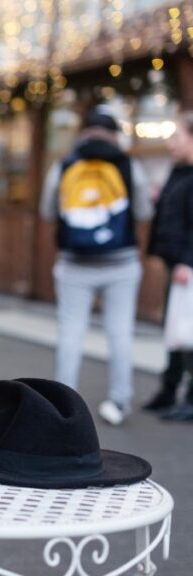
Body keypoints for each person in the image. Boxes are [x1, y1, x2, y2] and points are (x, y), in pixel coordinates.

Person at [39, 107, 154, 426]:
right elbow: (143, 211)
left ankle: (65, 406)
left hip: (75, 263)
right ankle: (119, 401)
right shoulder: (128, 164)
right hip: (122, 261)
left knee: (71, 333)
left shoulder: (64, 164)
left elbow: (48, 210)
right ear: (114, 133)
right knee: (120, 332)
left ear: (83, 131)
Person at [145, 111, 193, 421]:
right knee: (175, 331)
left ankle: (189, 396)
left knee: (188, 332)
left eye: (176, 136)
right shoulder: (179, 172)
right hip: (176, 261)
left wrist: (189, 260)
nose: (169, 142)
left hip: (187, 266)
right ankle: (170, 387)